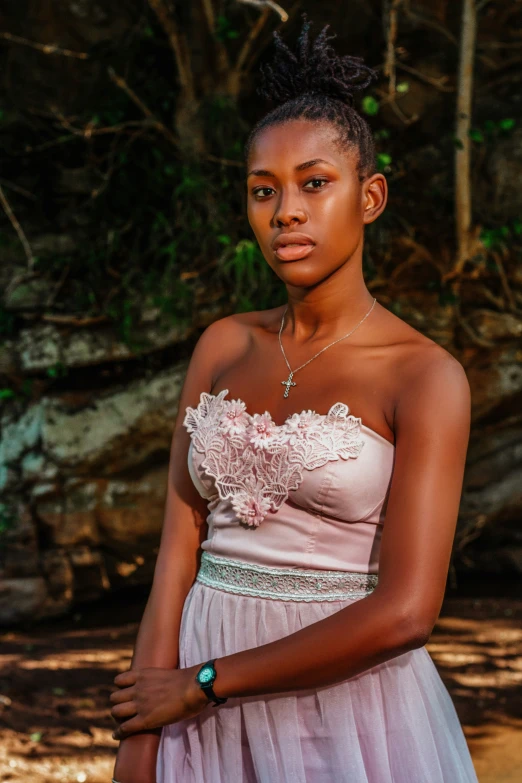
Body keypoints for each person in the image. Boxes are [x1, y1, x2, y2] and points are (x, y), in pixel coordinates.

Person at [109, 17, 479, 783]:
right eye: (263, 190)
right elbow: (178, 551)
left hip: (344, 716)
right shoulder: (222, 345)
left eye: (316, 183)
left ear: (370, 195)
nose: (287, 212)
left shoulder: (425, 375)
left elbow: (408, 611)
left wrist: (206, 680)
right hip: (192, 721)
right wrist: (142, 729)